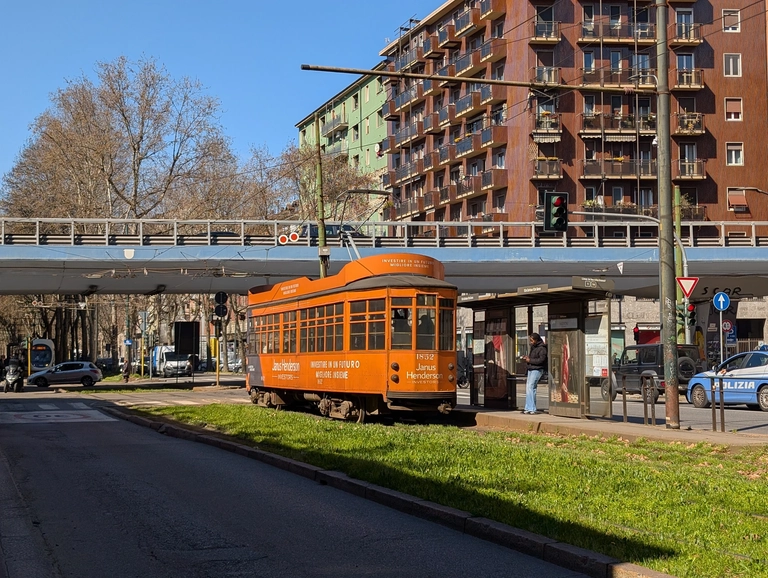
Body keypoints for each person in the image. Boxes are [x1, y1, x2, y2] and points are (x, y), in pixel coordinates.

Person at [522, 333, 547, 415]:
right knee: (528, 387)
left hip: (537, 369)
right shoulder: (533, 347)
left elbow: (541, 360)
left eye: (532, 340)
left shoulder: (542, 348)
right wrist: (527, 359)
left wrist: (530, 361)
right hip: (531, 368)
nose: (531, 342)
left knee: (531, 387)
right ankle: (528, 407)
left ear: (536, 340)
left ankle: (532, 408)